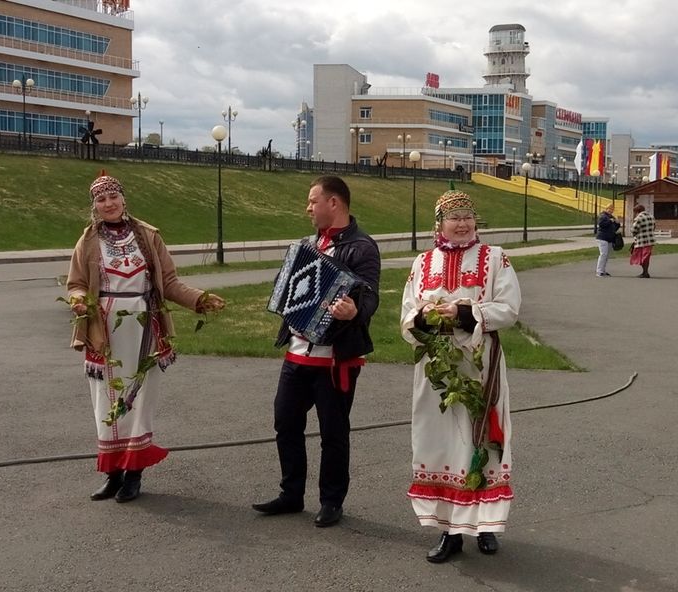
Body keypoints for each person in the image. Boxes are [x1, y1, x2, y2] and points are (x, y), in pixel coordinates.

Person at [67, 172, 225, 503]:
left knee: (139, 400)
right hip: (105, 331)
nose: (108, 204)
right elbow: (76, 283)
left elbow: (169, 282)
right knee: (106, 402)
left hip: (144, 328)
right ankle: (113, 475)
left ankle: (134, 476)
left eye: (113, 197)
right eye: (100, 199)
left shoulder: (149, 236)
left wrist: (199, 299)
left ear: (124, 199)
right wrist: (79, 300)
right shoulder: (88, 240)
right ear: (94, 206)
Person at [400, 189, 521, 563]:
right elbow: (407, 311)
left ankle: (485, 526)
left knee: (480, 437)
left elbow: (509, 308)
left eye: (468, 216)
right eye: (454, 218)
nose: (463, 224)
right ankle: (449, 531)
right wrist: (425, 318)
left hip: (478, 360)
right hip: (435, 367)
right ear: (439, 224)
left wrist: (466, 313)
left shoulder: (496, 259)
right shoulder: (422, 262)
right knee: (437, 440)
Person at [252, 175, 380, 527]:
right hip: (297, 353)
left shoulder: (362, 247)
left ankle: (331, 501)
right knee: (285, 422)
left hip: (336, 358)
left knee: (333, 432)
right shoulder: (307, 244)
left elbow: (369, 295)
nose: (308, 208)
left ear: (333, 203)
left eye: (313, 201)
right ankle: (291, 494)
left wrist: (355, 310)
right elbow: (289, 284)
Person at [629, 204, 656, 278]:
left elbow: (634, 230)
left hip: (641, 240)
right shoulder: (651, 216)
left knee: (640, 257)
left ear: (637, 211)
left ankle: (645, 273)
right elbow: (654, 227)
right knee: (646, 256)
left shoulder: (639, 218)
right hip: (650, 240)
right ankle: (645, 272)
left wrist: (633, 233)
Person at [595, 204, 620, 277]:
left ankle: (603, 270)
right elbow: (601, 224)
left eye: (612, 209)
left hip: (609, 238)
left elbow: (614, 227)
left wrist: (617, 223)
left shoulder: (611, 217)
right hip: (602, 238)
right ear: (606, 209)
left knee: (607, 255)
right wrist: (610, 221)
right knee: (603, 254)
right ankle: (599, 271)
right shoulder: (603, 216)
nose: (611, 211)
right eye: (609, 209)